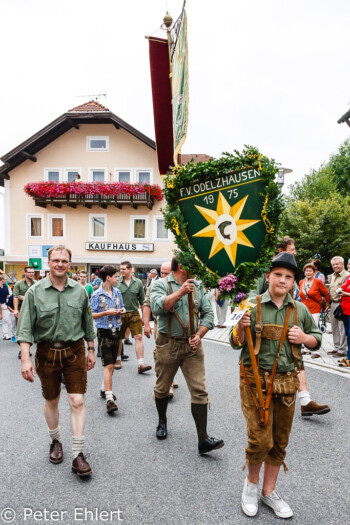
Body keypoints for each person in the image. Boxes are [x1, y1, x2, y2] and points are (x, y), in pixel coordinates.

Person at [232, 252, 322, 518]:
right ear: (268, 276)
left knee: (279, 442)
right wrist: (240, 327)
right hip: (254, 380)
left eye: (288, 277)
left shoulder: (301, 310)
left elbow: (317, 339)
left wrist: (304, 337)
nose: (283, 280)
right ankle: (250, 486)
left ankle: (268, 492)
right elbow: (234, 341)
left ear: (294, 282)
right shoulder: (249, 303)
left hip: (287, 382)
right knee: (260, 439)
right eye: (278, 275)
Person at [16, 245, 96, 477]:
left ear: (70, 264)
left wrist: (91, 349)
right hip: (46, 352)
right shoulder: (35, 292)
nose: (60, 264)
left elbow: (87, 322)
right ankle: (56, 441)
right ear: (48, 263)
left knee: (77, 401)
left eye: (64, 260)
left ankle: (78, 455)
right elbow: (25, 328)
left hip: (75, 351)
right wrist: (25, 359)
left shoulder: (80, 291)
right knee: (52, 400)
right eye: (56, 260)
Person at [150, 257, 224, 454]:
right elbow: (157, 308)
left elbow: (208, 314)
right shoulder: (160, 284)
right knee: (162, 387)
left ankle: (203, 439)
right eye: (195, 264)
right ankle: (162, 421)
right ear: (181, 266)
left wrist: (199, 335)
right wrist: (181, 292)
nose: (199, 268)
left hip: (192, 347)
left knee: (200, 391)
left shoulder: (199, 286)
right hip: (168, 344)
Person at [259, 236, 330, 417]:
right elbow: (256, 292)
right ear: (282, 250)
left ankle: (304, 400)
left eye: (288, 277)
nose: (295, 252)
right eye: (293, 249)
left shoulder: (291, 272)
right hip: (266, 317)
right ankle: (268, 396)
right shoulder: (267, 268)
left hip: (289, 314)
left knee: (295, 356)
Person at [90, 265, 125, 413]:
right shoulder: (96, 295)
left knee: (112, 365)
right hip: (104, 332)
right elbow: (91, 314)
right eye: (116, 276)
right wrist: (106, 313)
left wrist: (121, 311)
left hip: (117, 330)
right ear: (108, 278)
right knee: (108, 365)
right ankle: (109, 399)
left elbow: (123, 308)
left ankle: (104, 389)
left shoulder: (117, 292)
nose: (118, 278)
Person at [143, 261, 178, 399]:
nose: (163, 275)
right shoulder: (154, 285)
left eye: (166, 273)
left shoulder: (178, 285)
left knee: (175, 353)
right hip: (160, 323)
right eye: (161, 273)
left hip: (177, 325)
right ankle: (166, 385)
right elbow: (147, 303)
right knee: (162, 352)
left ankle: (170, 377)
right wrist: (146, 324)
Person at [116, 261, 151, 373]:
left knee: (138, 337)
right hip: (119, 313)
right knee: (118, 338)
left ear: (130, 270)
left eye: (124, 269)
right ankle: (117, 360)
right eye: (120, 269)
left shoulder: (138, 283)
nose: (121, 271)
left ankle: (141, 364)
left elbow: (142, 301)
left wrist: (145, 320)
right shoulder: (116, 282)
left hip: (134, 313)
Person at [298, 262, 330, 358]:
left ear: (313, 272)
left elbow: (326, 292)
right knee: (304, 328)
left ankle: (316, 351)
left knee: (314, 329)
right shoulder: (301, 282)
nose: (308, 273)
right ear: (304, 272)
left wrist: (328, 304)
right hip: (304, 309)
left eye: (310, 271)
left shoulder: (317, 281)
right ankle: (306, 348)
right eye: (307, 271)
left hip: (315, 308)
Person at [327, 256, 349, 358]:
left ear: (342, 264)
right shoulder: (333, 275)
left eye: (337, 264)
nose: (335, 266)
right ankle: (336, 347)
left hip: (342, 303)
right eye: (333, 265)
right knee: (334, 327)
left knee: (342, 328)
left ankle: (342, 349)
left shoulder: (347, 275)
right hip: (333, 303)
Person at [13, 266, 36, 358]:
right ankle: (22, 351)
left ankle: (28, 350)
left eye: (33, 272)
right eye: (30, 272)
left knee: (33, 330)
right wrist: (15, 309)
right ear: (25, 273)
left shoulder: (36, 284)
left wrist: (24, 297)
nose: (31, 274)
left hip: (33, 309)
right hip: (21, 309)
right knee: (22, 330)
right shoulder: (18, 284)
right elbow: (15, 296)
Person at [338, 272, 350, 367]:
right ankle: (349, 355)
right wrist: (340, 290)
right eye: (349, 264)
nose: (349, 266)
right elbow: (344, 285)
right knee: (347, 333)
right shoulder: (349, 277)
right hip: (345, 309)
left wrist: (345, 294)